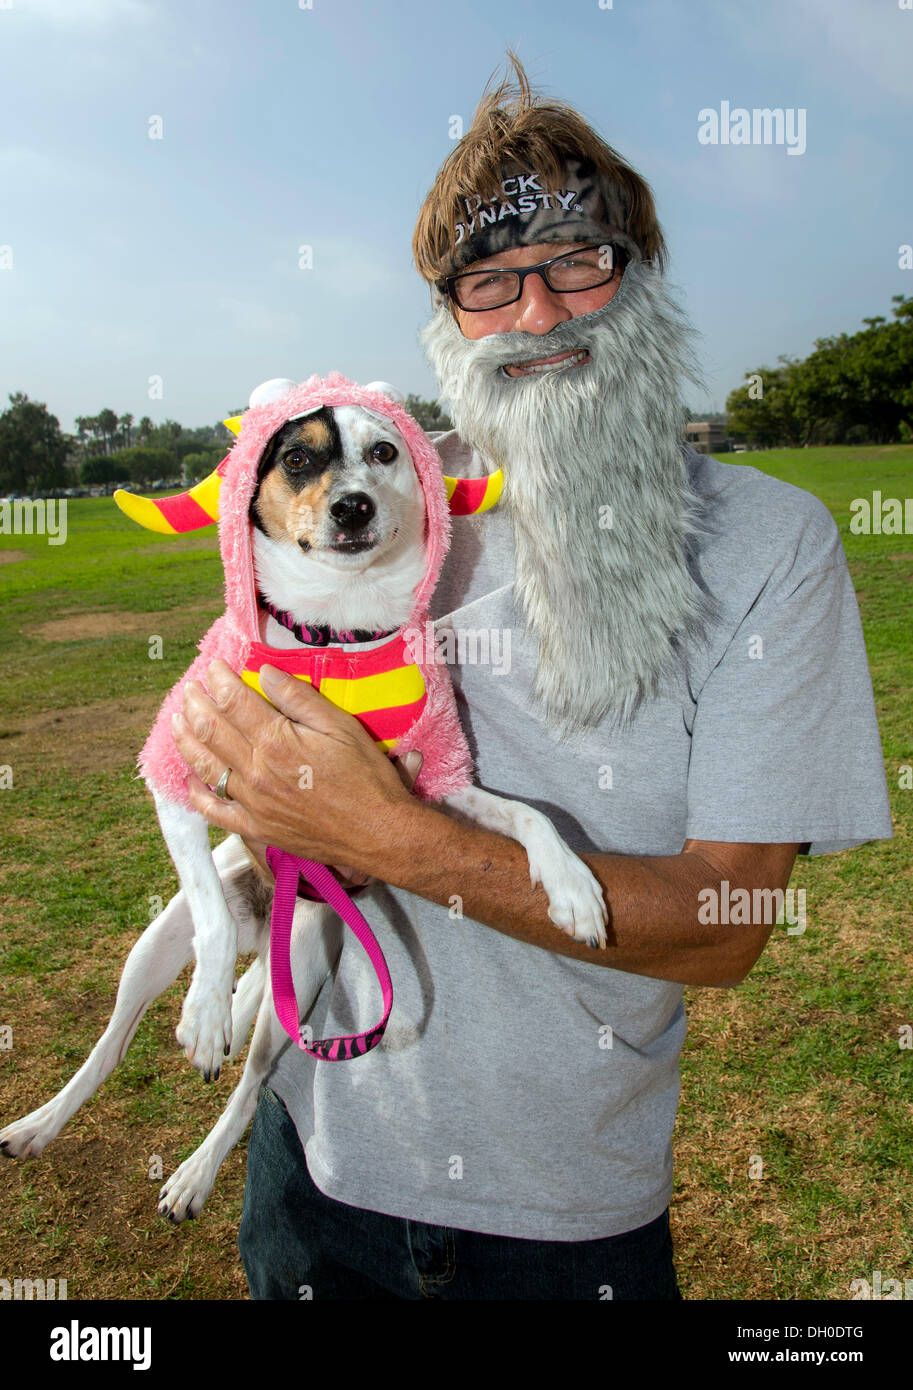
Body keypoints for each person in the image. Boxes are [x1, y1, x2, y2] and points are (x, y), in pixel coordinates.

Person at [172, 55, 893, 1299]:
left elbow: (726, 930)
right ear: (445, 320)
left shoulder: (773, 547)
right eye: (490, 281)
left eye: (579, 261)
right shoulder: (380, 504)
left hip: (557, 1214)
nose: (539, 315)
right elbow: (235, 732)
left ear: (642, 277)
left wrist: (393, 837)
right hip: (312, 1157)